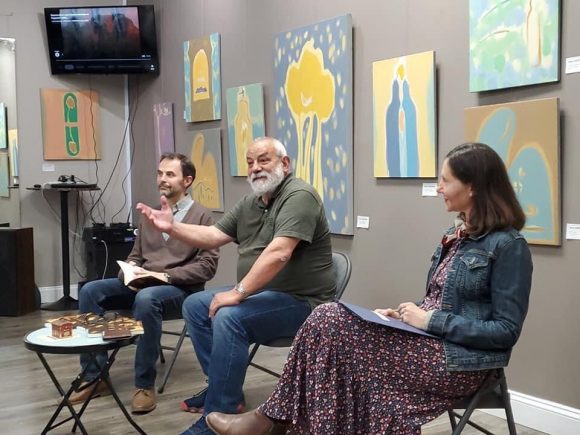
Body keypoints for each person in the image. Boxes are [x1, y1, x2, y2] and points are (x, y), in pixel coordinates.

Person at [205, 142, 534, 435]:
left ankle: (271, 419)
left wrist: (429, 320)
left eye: (445, 181)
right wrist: (403, 315)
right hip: (431, 345)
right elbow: (440, 300)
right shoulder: (456, 235)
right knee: (328, 320)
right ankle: (276, 420)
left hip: (463, 364)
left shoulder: (509, 246)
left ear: (473, 186)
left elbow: (505, 331)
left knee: (331, 322)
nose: (438, 188)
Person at [137, 137, 336, 434]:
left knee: (229, 316)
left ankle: (219, 413)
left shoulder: (299, 195)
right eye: (250, 162)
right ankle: (221, 387)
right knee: (195, 305)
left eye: (263, 160)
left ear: (285, 164)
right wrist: (173, 227)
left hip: (303, 302)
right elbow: (213, 236)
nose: (255, 168)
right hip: (265, 295)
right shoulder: (251, 202)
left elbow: (280, 252)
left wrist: (237, 292)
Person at [71, 153, 219, 414]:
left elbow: (206, 267)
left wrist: (166, 277)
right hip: (142, 285)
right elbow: (135, 256)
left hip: (180, 291)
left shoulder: (203, 217)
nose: (162, 179)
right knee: (90, 290)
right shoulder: (150, 214)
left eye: (170, 174)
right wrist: (129, 273)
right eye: (160, 173)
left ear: (187, 180)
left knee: (147, 298)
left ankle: (143, 384)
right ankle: (95, 376)